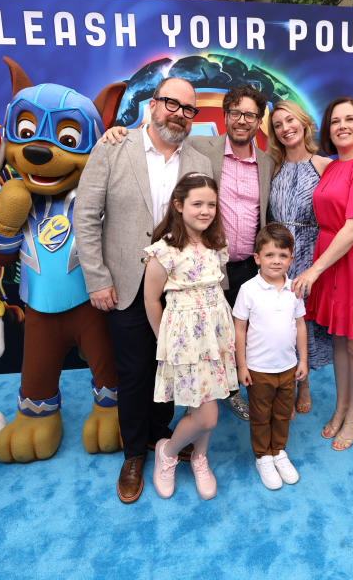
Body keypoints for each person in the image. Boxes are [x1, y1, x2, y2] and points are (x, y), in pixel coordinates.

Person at [73, 77, 213, 504]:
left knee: (172, 370)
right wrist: (97, 278)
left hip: (181, 291)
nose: (179, 114)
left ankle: (160, 436)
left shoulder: (200, 158)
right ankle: (134, 453)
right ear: (153, 105)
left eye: (189, 109)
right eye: (171, 104)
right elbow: (86, 215)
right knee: (134, 374)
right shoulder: (114, 147)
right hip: (127, 287)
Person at [100, 84, 275, 422]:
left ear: (259, 121)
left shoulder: (267, 162)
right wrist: (120, 133)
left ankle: (237, 392)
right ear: (225, 116)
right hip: (208, 269)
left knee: (243, 338)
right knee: (206, 340)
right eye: (236, 113)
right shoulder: (199, 148)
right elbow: (161, 135)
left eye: (250, 115)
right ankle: (206, 403)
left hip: (249, 268)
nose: (242, 121)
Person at [292, 97, 353, 451]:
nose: (342, 126)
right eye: (335, 121)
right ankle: (339, 408)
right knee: (337, 339)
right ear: (328, 130)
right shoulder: (331, 167)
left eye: (350, 119)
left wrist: (314, 270)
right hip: (330, 257)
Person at [143, 173, 238, 500]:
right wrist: (164, 342)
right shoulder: (165, 250)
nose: (205, 210)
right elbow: (150, 299)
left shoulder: (216, 244)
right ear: (179, 205)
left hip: (215, 335)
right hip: (185, 342)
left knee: (203, 403)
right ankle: (168, 452)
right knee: (207, 415)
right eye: (197, 203)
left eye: (211, 204)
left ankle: (198, 456)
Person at [266, 101, 333, 417]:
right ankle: (284, 388)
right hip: (276, 256)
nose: (285, 128)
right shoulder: (272, 167)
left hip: (310, 254)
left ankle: (302, 385)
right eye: (277, 125)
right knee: (277, 326)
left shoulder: (323, 165)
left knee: (302, 324)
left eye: (289, 120)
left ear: (303, 122)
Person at [233, 223, 308, 490]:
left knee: (282, 412)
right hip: (258, 369)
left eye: (282, 255)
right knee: (260, 415)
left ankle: (279, 451)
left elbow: (300, 325)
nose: (276, 261)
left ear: (291, 257)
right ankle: (263, 456)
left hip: (287, 367)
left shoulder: (294, 289)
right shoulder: (248, 290)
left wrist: (303, 361)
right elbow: (239, 329)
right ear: (257, 258)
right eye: (269, 255)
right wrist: (241, 365)